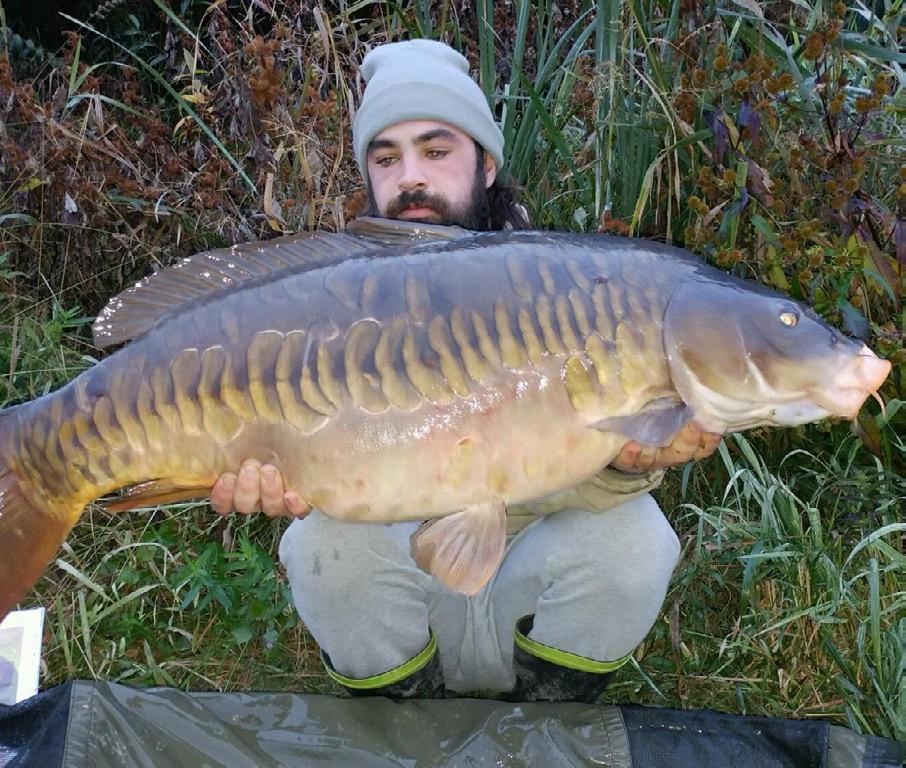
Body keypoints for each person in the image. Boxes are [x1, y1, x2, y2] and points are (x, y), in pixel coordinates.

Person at [209, 39, 720, 701]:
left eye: (436, 151)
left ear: (486, 163)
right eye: (386, 158)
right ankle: (407, 716)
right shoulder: (334, 310)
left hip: (526, 587)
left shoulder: (567, 294)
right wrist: (271, 468)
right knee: (320, 546)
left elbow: (563, 480)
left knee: (637, 539)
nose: (410, 178)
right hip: (414, 593)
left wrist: (626, 463)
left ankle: (547, 715)